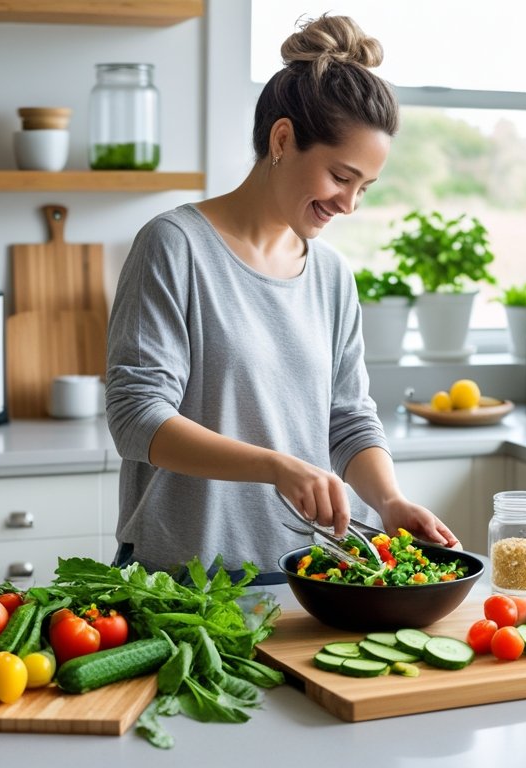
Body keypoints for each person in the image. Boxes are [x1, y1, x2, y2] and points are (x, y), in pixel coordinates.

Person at [105, 14, 459, 581]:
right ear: (283, 139)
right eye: (341, 177)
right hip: (186, 584)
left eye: (364, 188)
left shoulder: (332, 276)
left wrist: (390, 501)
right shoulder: (175, 246)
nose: (349, 205)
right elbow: (137, 418)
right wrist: (276, 467)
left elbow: (348, 420)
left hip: (311, 576)